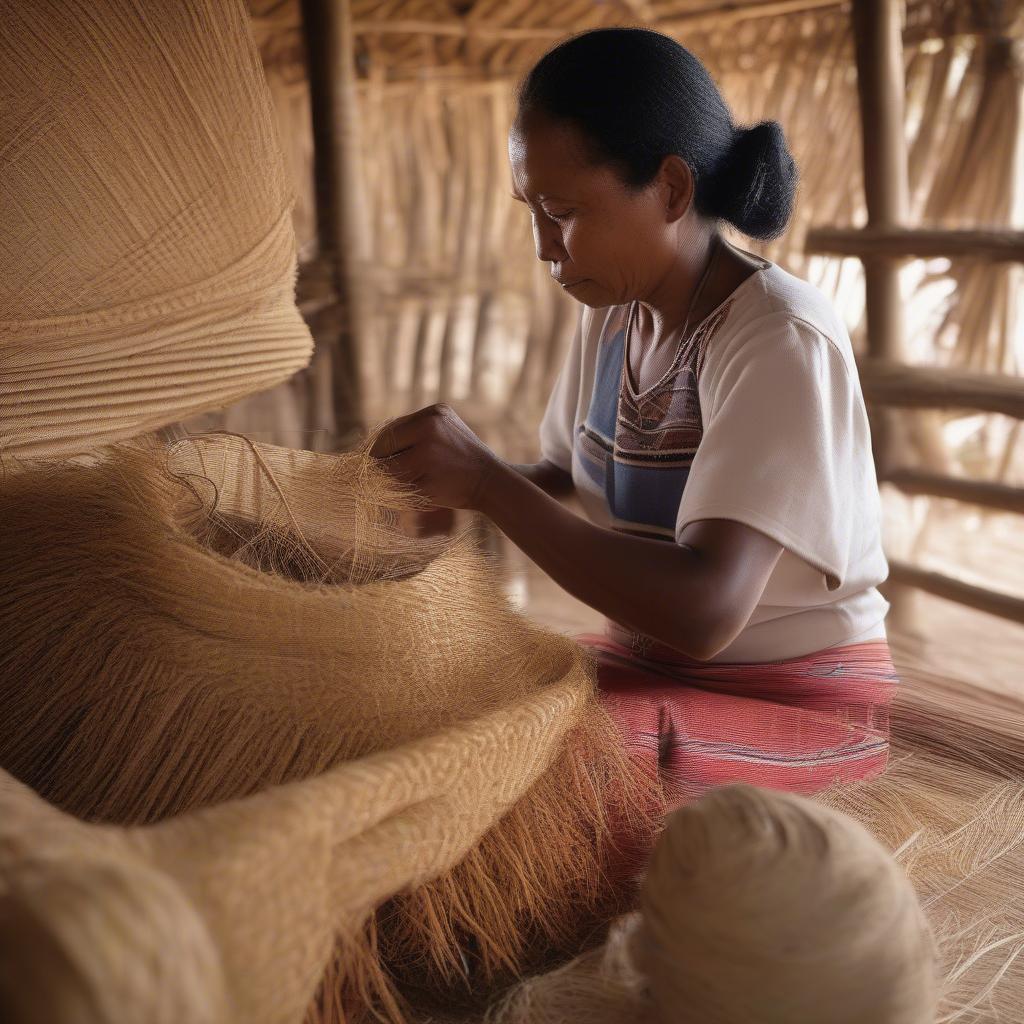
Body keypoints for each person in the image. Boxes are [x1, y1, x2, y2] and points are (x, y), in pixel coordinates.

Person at [370, 27, 897, 807]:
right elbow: (559, 476)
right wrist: (445, 482)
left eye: (563, 211)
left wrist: (485, 483)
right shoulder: (617, 314)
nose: (546, 247)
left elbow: (704, 611)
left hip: (789, 704)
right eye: (531, 212)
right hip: (650, 680)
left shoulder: (777, 339)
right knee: (439, 716)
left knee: (544, 782)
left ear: (673, 191)